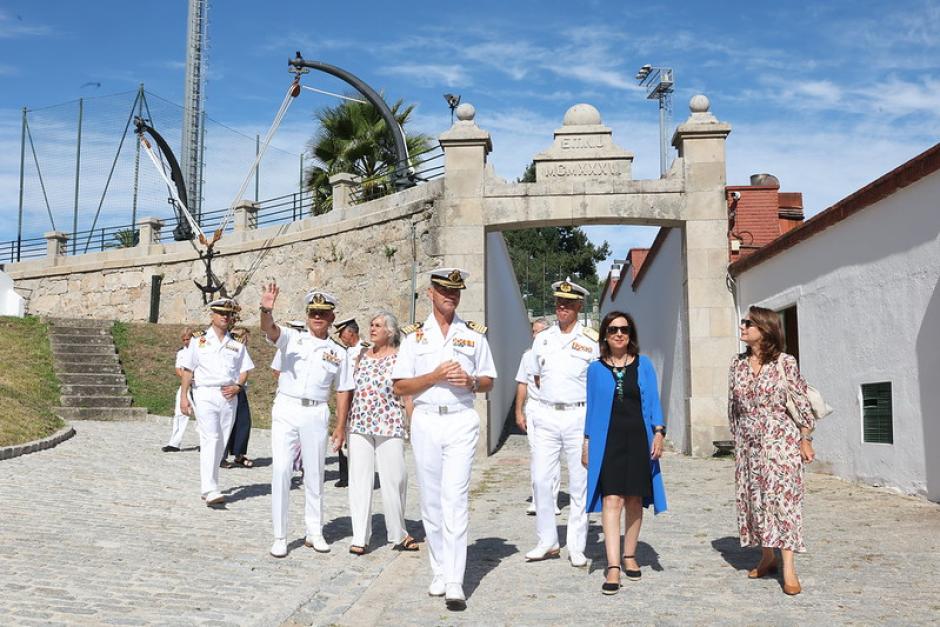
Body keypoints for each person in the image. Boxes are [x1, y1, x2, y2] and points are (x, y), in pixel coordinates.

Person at [392, 268, 497, 611]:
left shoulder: (474, 335)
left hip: (460, 420)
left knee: (455, 498)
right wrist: (435, 375)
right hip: (425, 420)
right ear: (432, 293)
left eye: (456, 291)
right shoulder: (414, 337)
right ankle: (438, 569)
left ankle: (455, 579)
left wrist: (470, 382)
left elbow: (488, 381)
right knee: (432, 501)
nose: (450, 296)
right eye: (444, 290)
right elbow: (399, 386)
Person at [260, 283, 354, 558]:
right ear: (307, 314)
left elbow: (343, 389)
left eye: (323, 313)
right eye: (313, 312)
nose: (317, 317)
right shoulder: (293, 338)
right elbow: (270, 329)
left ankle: (315, 531)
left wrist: (340, 425)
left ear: (332, 317)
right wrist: (266, 308)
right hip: (287, 407)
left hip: (316, 411)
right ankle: (280, 535)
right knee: (281, 470)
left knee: (315, 473)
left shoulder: (339, 352)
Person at [729, 305, 816, 596]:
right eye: (743, 323)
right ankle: (767, 556)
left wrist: (806, 438)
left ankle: (789, 568)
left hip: (781, 444)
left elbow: (801, 402)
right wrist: (737, 443)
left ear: (764, 330)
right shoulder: (737, 364)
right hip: (749, 446)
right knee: (757, 501)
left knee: (785, 503)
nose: (743, 327)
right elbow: (733, 407)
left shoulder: (785, 362)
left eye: (748, 324)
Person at [582, 311, 667, 594]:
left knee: (634, 499)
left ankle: (630, 555)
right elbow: (591, 408)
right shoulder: (595, 369)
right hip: (608, 442)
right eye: (613, 329)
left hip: (638, 440)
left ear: (631, 335)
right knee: (612, 500)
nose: (619, 334)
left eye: (625, 329)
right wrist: (586, 442)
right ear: (605, 335)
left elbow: (653, 400)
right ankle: (613, 566)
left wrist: (659, 432)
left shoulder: (644, 365)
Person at [524, 277, 598, 568]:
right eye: (558, 303)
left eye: (568, 303)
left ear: (579, 305)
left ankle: (576, 545)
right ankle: (547, 540)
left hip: (578, 415)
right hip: (546, 414)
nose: (562, 308)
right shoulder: (542, 339)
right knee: (541, 480)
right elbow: (538, 377)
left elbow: (596, 385)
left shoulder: (590, 341)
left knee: (579, 483)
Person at [346, 311, 417, 555]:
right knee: (359, 479)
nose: (373, 329)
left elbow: (407, 393)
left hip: (389, 423)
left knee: (395, 478)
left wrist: (412, 422)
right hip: (360, 424)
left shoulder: (400, 358)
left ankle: (398, 532)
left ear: (391, 331)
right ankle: (359, 536)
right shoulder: (361, 355)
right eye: (372, 325)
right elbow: (350, 389)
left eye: (378, 325)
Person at [179, 299, 254, 507]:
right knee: (210, 438)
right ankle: (210, 488)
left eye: (229, 314)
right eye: (221, 313)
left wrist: (239, 386)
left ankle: (211, 485)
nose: (225, 317)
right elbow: (188, 370)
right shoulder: (198, 340)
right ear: (212, 315)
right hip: (205, 393)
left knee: (221, 441)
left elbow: (245, 369)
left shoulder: (236, 344)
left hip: (229, 395)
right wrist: (184, 396)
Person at [514, 318, 561, 516]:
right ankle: (537, 498)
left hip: (552, 407)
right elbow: (522, 384)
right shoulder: (527, 357)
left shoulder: (558, 356)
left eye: (539, 331)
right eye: (533, 331)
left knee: (554, 455)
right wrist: (519, 411)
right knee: (536, 454)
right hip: (534, 407)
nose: (535, 335)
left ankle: (552, 499)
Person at [334, 317, 368, 487]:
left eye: (342, 333)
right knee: (342, 436)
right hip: (345, 399)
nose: (340, 337)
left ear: (351, 332)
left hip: (358, 402)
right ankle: (344, 475)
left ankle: (358, 475)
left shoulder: (366, 350)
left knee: (357, 440)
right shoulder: (344, 352)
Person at [221, 326, 253, 468]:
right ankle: (220, 455)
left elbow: (245, 370)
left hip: (239, 389)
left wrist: (239, 386)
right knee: (225, 423)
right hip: (227, 390)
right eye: (244, 337)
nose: (246, 340)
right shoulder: (229, 348)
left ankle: (239, 454)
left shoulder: (242, 350)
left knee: (243, 422)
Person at [162, 327, 194, 452]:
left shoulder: (200, 351)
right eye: (184, 339)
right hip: (186, 385)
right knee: (180, 413)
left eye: (188, 338)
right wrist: (187, 379)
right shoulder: (181, 353)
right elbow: (178, 369)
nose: (186, 341)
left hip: (200, 385)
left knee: (204, 415)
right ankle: (174, 443)